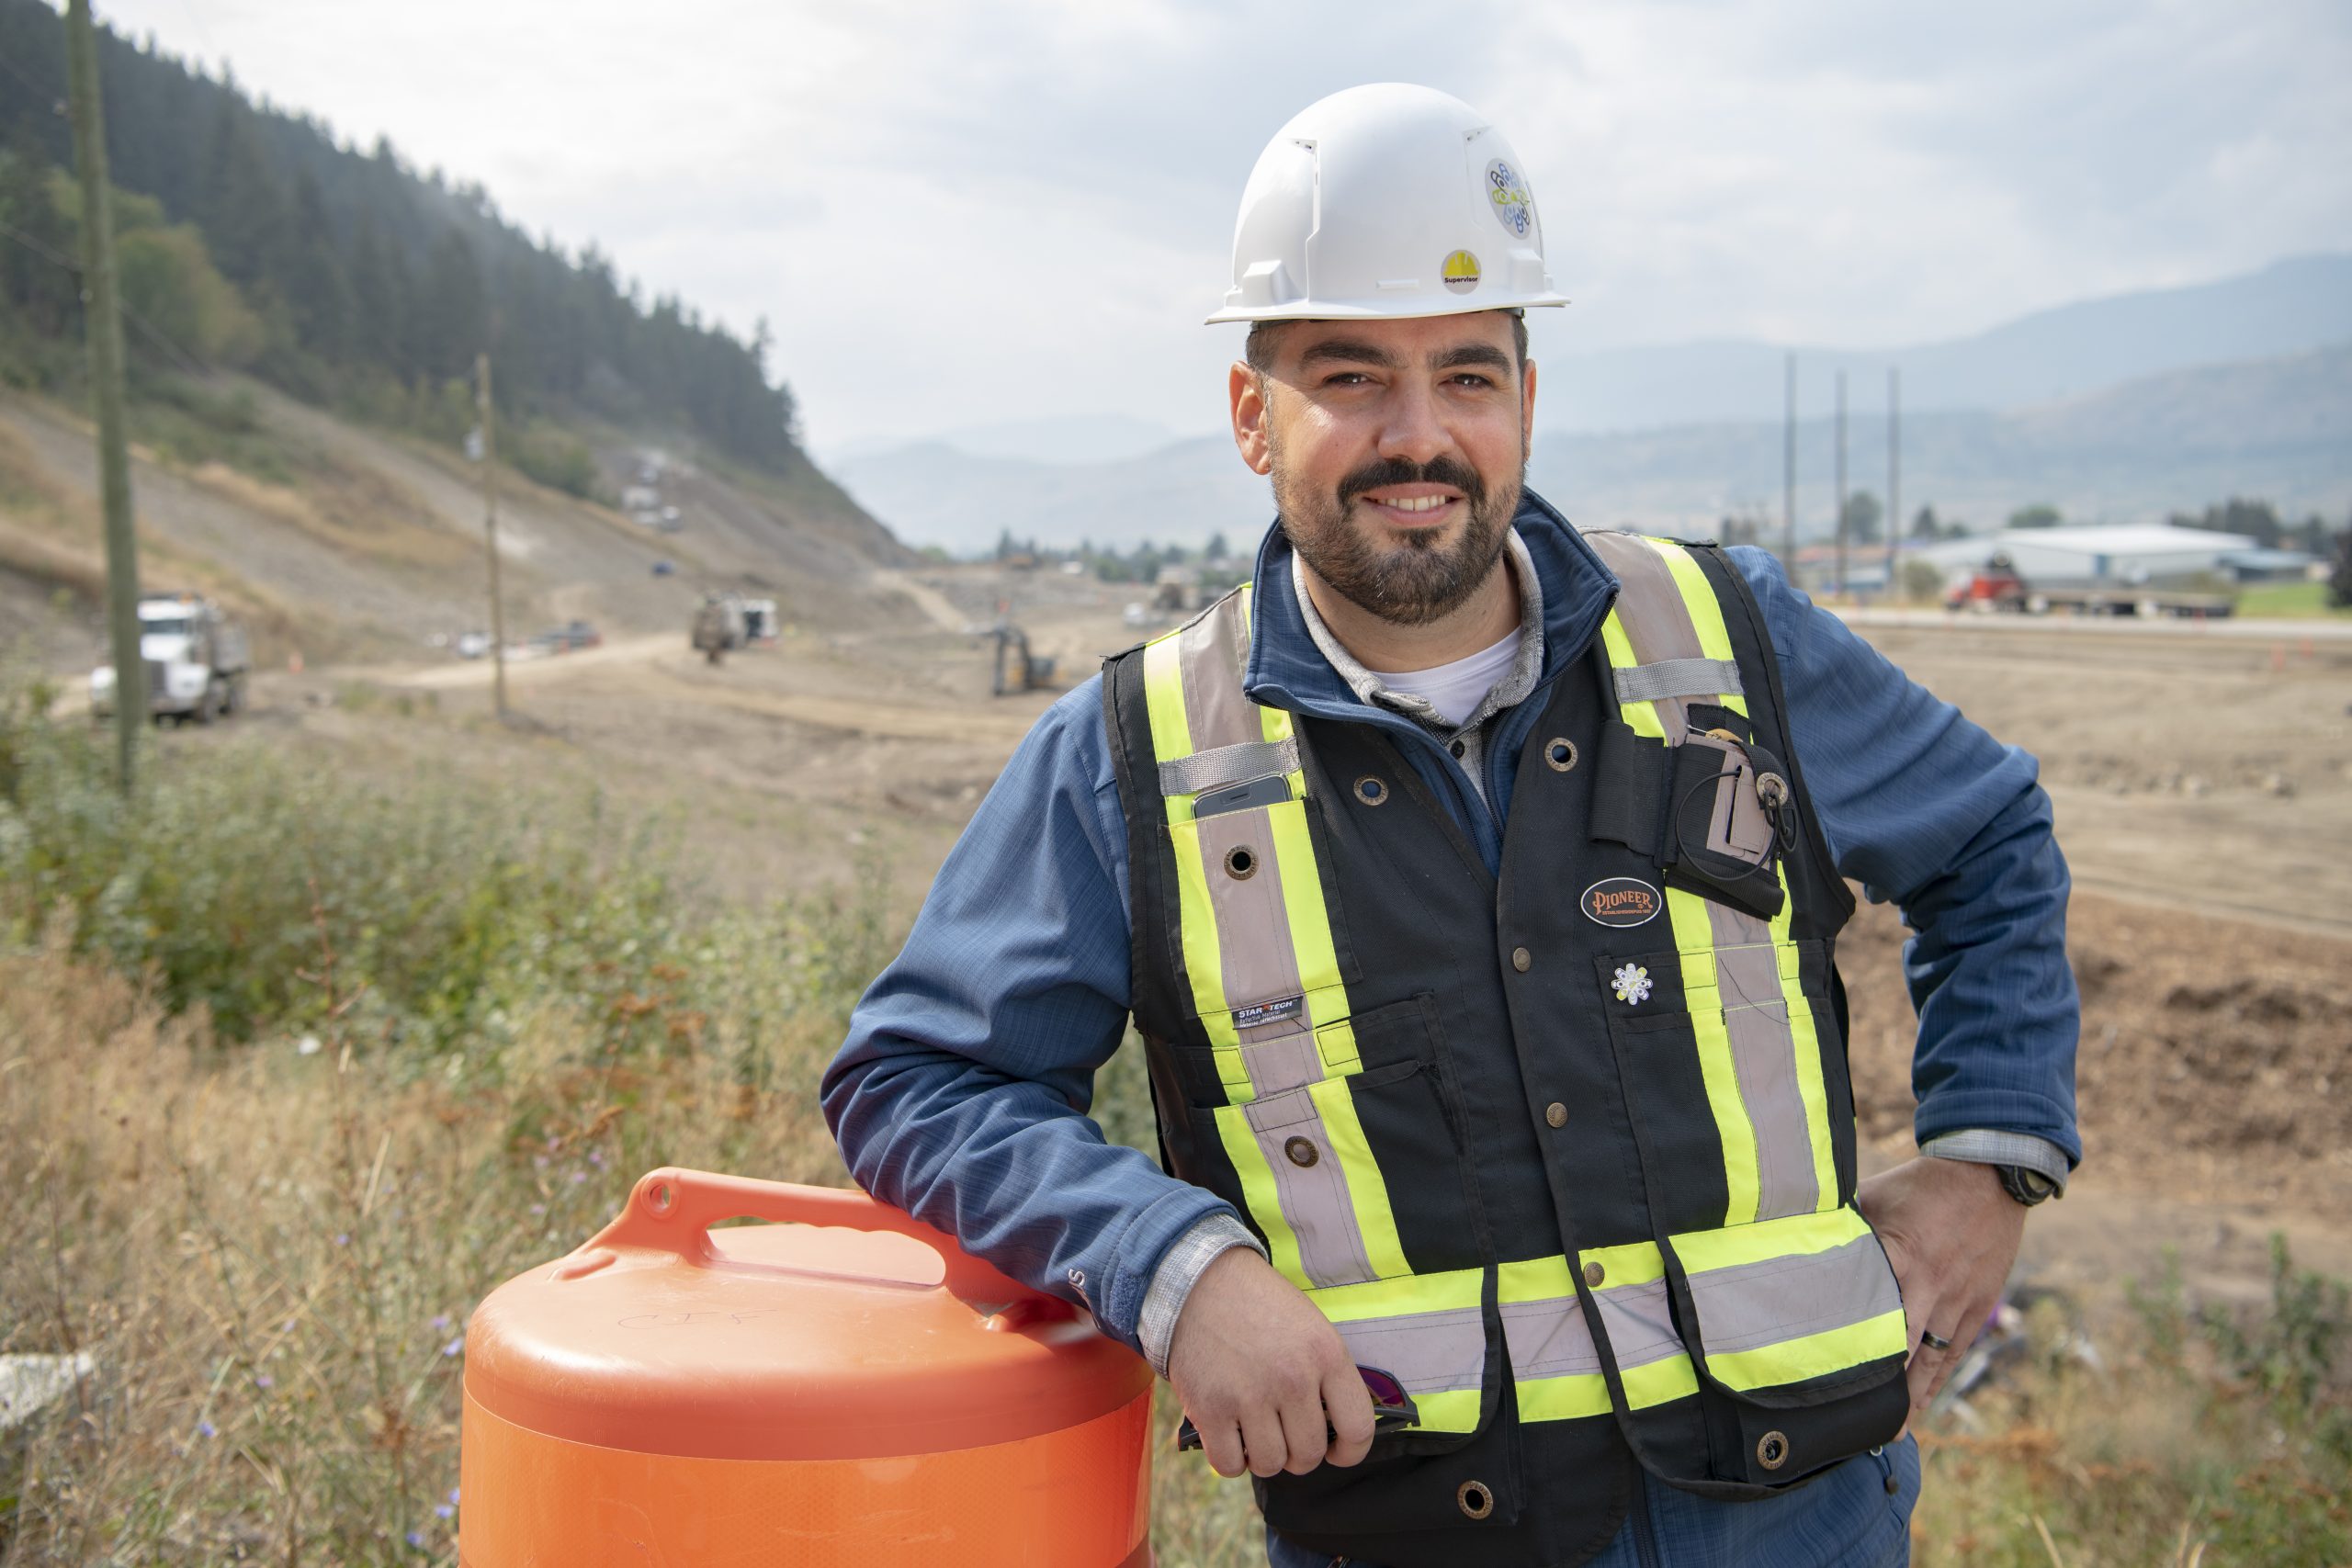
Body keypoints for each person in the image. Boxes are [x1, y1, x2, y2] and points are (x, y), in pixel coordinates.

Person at [822, 83, 2077, 1568]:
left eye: (1468, 378)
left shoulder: (1730, 642)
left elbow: (1993, 841)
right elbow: (921, 1079)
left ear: (1527, 404)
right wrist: (1176, 1271)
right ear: (1250, 414)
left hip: (1807, 1522)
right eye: (1352, 377)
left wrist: (1989, 1165)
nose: (1419, 439)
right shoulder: (1134, 755)